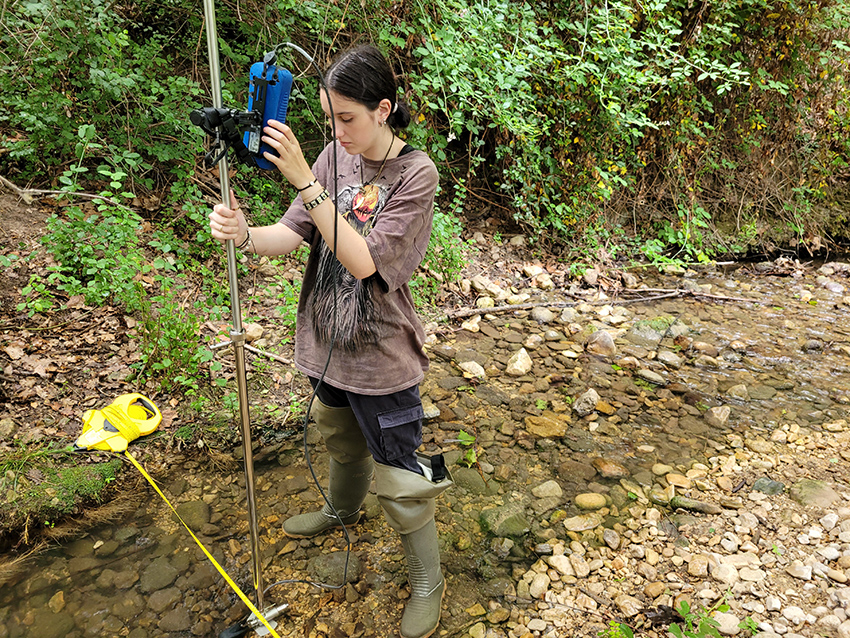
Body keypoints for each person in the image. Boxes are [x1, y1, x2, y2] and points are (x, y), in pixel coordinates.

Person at [208, 44, 451, 638]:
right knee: (337, 432)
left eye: (348, 118)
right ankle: (343, 508)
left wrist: (304, 182)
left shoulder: (415, 175)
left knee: (400, 472)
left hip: (383, 355)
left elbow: (367, 261)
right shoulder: (331, 157)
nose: (337, 130)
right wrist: (244, 234)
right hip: (327, 342)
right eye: (329, 117)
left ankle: (428, 580)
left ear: (383, 110)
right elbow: (289, 236)